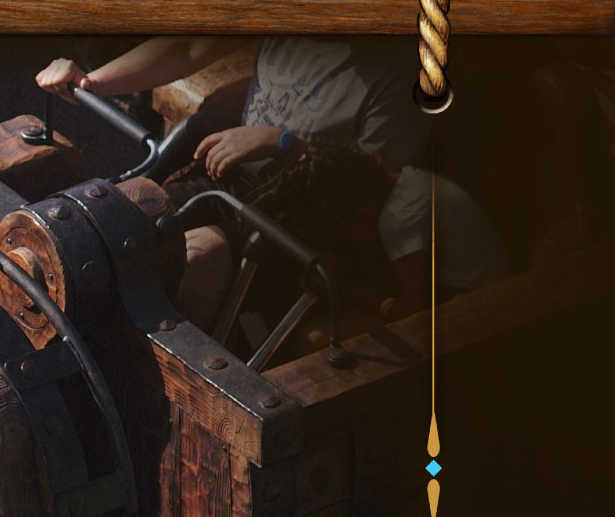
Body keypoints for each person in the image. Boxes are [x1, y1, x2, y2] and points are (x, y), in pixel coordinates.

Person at [36, 37, 429, 322]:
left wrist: (283, 143)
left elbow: (376, 189)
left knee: (195, 261)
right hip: (226, 177)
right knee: (113, 221)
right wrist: (90, 82)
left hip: (301, 222)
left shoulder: (397, 75)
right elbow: (188, 48)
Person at [247, 140, 509, 327]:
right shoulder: (404, 182)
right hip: (457, 291)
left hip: (482, 313)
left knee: (314, 338)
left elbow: (415, 319)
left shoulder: (400, 218)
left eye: (339, 233)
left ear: (361, 217)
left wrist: (356, 294)